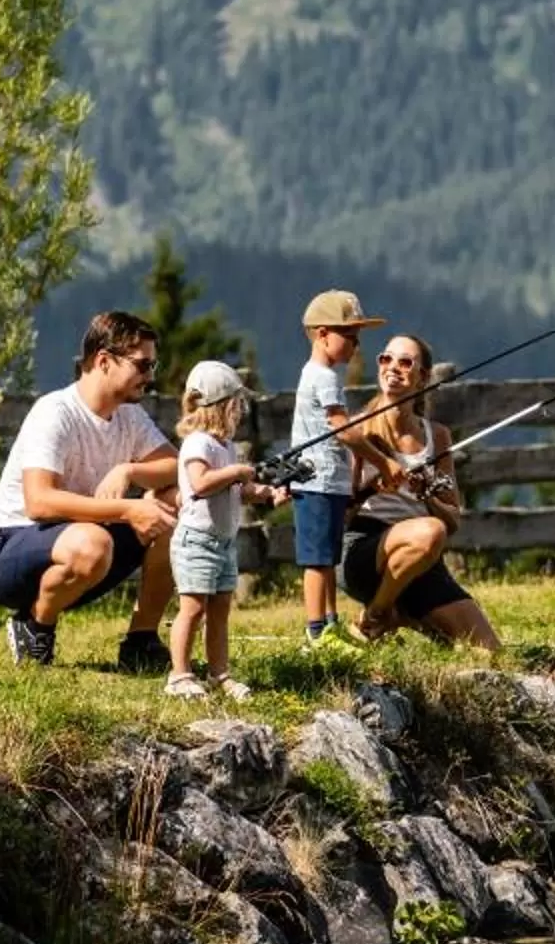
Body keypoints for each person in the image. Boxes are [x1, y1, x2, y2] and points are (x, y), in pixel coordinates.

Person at [0, 309, 178, 672]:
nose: (149, 377)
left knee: (174, 504)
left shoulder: (129, 416)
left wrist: (127, 469)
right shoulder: (55, 412)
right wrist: (128, 510)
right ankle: (35, 626)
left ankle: (141, 640)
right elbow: (39, 503)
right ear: (104, 361)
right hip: (8, 549)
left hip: (82, 543)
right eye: (143, 365)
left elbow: (174, 466)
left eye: (152, 367)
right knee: (93, 543)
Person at [343, 331, 501, 649]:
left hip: (423, 558)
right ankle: (378, 613)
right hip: (363, 551)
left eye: (405, 362)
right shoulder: (355, 430)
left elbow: (453, 519)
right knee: (429, 532)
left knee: (489, 651)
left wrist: (426, 494)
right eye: (386, 359)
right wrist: (371, 489)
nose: (393, 367)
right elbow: (340, 516)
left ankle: (403, 614)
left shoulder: (438, 436)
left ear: (423, 377)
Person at [166, 359, 285, 699]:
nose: (240, 410)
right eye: (236, 403)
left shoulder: (226, 447)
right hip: (197, 542)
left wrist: (263, 493)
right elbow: (201, 483)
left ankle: (220, 674)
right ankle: (179, 675)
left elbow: (235, 490)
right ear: (222, 405)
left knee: (219, 611)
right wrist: (236, 473)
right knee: (192, 608)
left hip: (223, 543)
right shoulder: (197, 443)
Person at [290, 289, 385, 645]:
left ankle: (330, 622)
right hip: (317, 482)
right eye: (349, 336)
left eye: (357, 338)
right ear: (322, 333)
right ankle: (317, 631)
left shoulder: (321, 373)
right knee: (316, 561)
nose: (355, 345)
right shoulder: (324, 377)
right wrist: (383, 462)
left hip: (328, 484)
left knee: (328, 557)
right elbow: (341, 428)